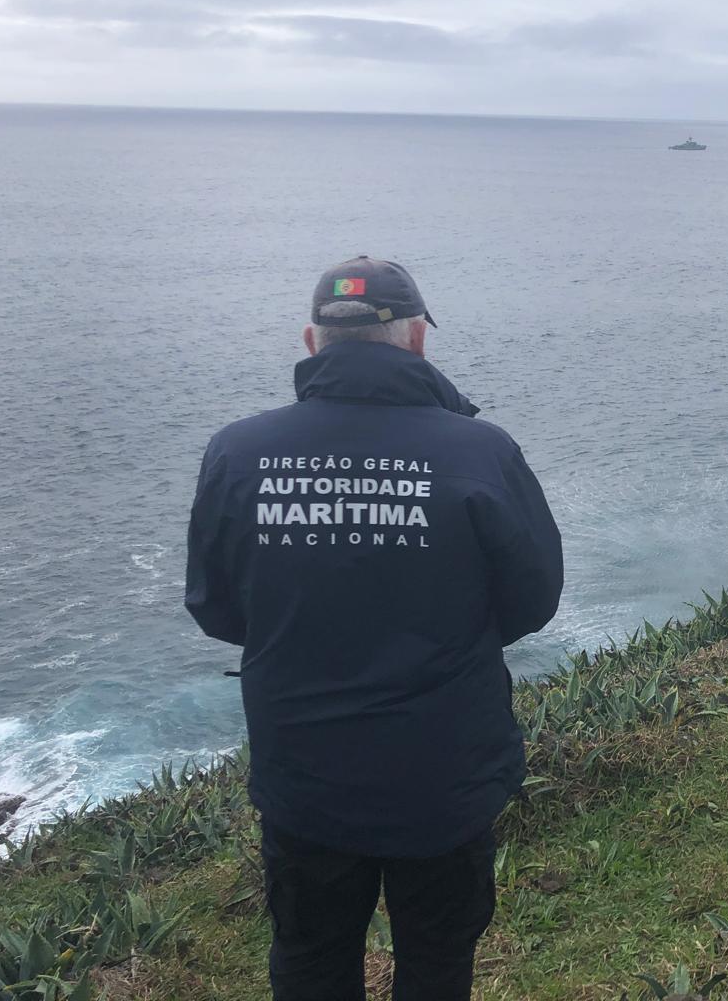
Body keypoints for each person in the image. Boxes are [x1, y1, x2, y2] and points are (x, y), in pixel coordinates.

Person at [184, 255, 563, 1001]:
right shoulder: (480, 452)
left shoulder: (238, 452)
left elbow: (215, 606)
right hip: (443, 772)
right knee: (437, 960)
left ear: (310, 340)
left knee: (311, 957)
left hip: (306, 774)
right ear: (417, 341)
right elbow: (534, 599)